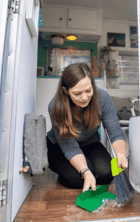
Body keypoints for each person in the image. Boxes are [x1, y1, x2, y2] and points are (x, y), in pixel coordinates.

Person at [46, 62, 128, 193]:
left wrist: (121, 155)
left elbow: (116, 133)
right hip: (61, 147)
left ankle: (87, 167)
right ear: (66, 91)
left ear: (93, 86)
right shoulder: (55, 107)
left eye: (88, 91)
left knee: (106, 175)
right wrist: (85, 171)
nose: (84, 98)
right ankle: (65, 172)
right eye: (77, 94)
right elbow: (70, 147)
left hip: (89, 143)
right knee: (78, 179)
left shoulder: (103, 98)